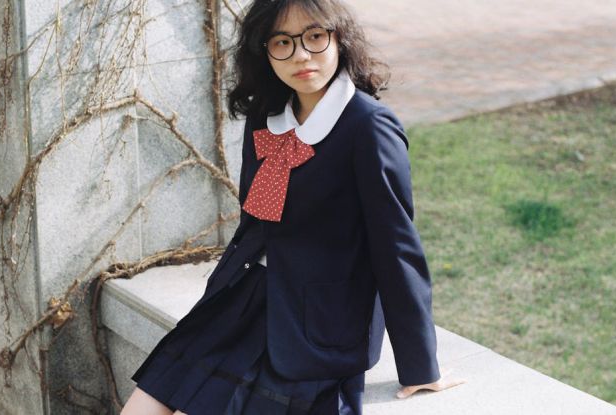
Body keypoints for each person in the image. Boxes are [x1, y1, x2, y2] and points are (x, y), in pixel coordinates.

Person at [122, 0, 465, 414]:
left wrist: (419, 364)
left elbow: (396, 247)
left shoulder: (367, 126)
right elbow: (254, 221)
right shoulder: (266, 116)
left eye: (315, 37)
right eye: (282, 42)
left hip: (316, 319)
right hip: (241, 300)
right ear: (264, 52)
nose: (301, 55)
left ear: (339, 39)